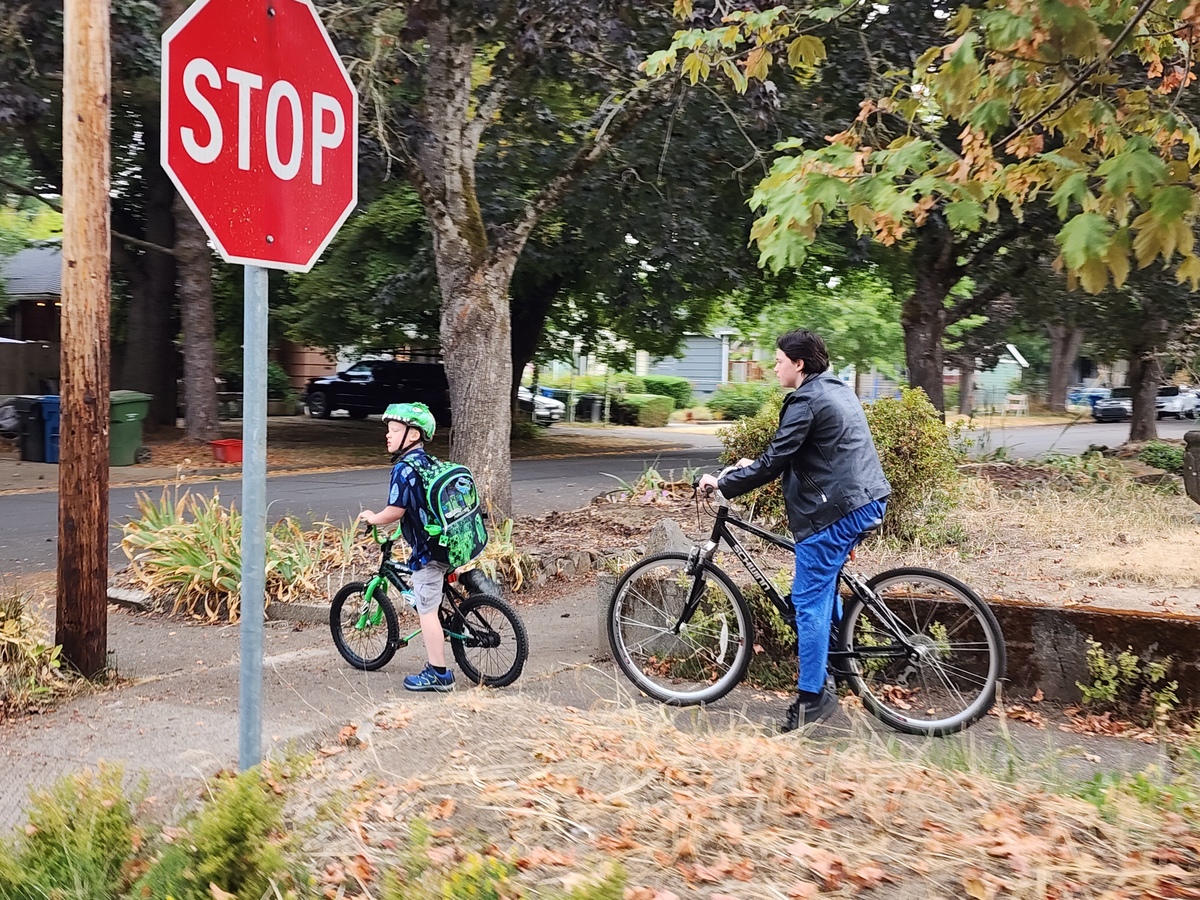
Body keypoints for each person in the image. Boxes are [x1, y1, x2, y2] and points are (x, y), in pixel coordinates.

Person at [699, 329, 890, 731]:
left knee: (806, 600)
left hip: (838, 509)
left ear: (798, 364)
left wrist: (725, 483)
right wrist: (750, 465)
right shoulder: (832, 389)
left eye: (779, 359)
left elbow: (776, 461)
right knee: (822, 590)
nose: (775, 366)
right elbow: (796, 452)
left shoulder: (805, 399)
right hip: (863, 498)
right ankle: (837, 669)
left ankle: (812, 698)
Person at [359, 402, 454, 692]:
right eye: (388, 430)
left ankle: (439, 674)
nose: (388, 435)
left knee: (426, 611)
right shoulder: (428, 462)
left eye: (395, 430)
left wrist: (373, 519)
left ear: (412, 436)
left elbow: (395, 511)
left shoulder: (404, 469)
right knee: (437, 593)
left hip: (428, 550)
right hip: (449, 542)